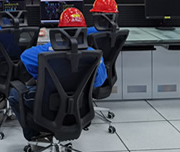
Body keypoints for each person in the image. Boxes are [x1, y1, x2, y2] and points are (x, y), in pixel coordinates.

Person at [9, 7, 107, 141]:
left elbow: (24, 57)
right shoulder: (94, 55)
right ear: (84, 30)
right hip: (80, 106)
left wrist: (40, 76)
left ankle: (34, 136)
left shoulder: (47, 51)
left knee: (14, 95)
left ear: (60, 30)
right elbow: (99, 82)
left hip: (47, 107)